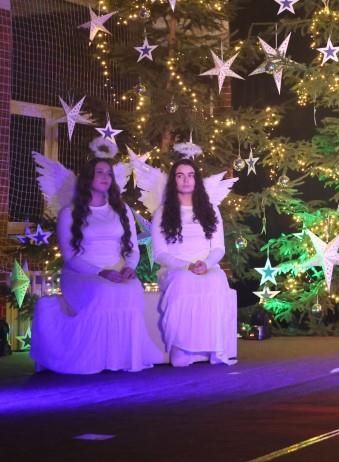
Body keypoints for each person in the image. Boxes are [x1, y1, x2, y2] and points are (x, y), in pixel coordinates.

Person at [32, 157, 163, 374]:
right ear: (88, 177)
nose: (105, 177)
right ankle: (95, 358)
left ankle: (121, 357)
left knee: (133, 289)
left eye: (109, 173)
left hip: (117, 270)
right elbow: (70, 256)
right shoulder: (69, 213)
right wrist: (101, 272)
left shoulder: (122, 210)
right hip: (81, 274)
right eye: (99, 172)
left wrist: (129, 267)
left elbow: (132, 248)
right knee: (103, 290)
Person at [152, 159, 237, 367]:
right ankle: (182, 347)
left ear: (196, 180)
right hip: (176, 269)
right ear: (174, 181)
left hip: (207, 266)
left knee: (217, 280)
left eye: (190, 175)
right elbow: (160, 253)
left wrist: (206, 264)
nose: (186, 180)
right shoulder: (162, 212)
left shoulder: (210, 210)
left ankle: (213, 347)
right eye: (180, 175)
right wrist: (186, 266)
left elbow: (219, 248)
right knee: (184, 280)